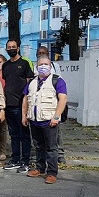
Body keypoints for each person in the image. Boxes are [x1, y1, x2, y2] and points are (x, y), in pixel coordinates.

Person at [22, 56, 67, 184]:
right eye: (41, 64)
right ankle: (40, 168)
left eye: (46, 64)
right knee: (38, 146)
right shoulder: (32, 82)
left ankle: (52, 173)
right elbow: (25, 100)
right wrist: (24, 116)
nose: (43, 66)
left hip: (49, 121)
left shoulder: (58, 81)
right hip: (34, 120)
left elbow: (63, 99)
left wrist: (56, 116)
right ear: (36, 67)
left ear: (50, 66)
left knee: (51, 148)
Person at [2, 39, 34, 173]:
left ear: (18, 48)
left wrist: (26, 105)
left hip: (21, 106)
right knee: (13, 134)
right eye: (9, 47)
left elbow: (29, 85)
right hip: (9, 105)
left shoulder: (25, 63)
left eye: (13, 47)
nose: (11, 49)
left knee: (24, 135)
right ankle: (15, 160)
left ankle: (25, 161)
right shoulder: (5, 66)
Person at [33, 46, 66, 164]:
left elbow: (59, 85)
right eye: (39, 53)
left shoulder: (55, 66)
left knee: (56, 133)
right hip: (39, 107)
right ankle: (40, 163)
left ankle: (60, 154)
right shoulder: (35, 66)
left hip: (52, 105)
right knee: (40, 138)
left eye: (43, 53)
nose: (41, 54)